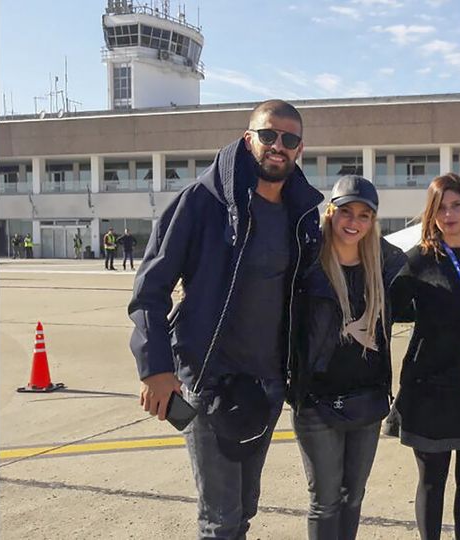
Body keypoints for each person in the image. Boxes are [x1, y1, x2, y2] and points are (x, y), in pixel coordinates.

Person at [127, 99, 324, 540]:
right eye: (269, 135)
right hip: (208, 381)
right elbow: (150, 289)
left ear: (299, 150)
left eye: (289, 140)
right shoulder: (202, 202)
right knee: (220, 522)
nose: (278, 146)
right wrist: (155, 368)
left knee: (244, 511)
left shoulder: (302, 214)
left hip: (269, 386)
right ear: (247, 138)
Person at [387, 173, 460, 540]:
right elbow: (387, 308)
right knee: (432, 481)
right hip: (430, 389)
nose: (450, 214)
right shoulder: (418, 260)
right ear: (431, 215)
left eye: (456, 205)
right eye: (441, 207)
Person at [287, 175, 405, 540]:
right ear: (330, 213)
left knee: (353, 497)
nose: (354, 223)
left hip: (366, 399)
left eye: (364, 215)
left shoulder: (385, 264)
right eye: (346, 212)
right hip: (316, 401)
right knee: (325, 499)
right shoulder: (305, 263)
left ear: (373, 222)